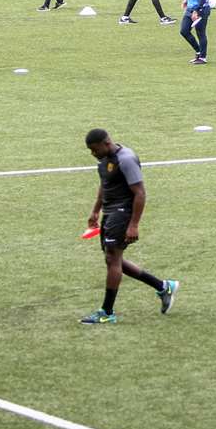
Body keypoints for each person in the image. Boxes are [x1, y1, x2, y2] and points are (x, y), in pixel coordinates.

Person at [80, 128, 178, 324]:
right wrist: (95, 210)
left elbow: (140, 193)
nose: (93, 154)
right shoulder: (104, 159)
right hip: (110, 213)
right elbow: (104, 185)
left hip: (122, 213)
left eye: (94, 149)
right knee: (113, 259)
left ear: (106, 143)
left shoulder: (126, 159)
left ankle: (107, 312)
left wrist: (133, 225)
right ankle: (163, 286)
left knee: (112, 259)